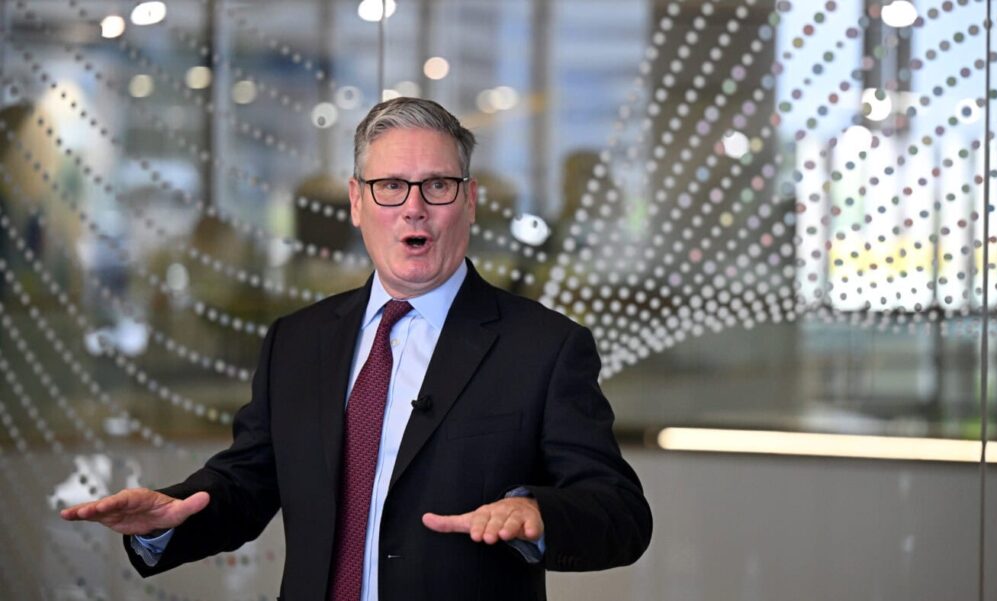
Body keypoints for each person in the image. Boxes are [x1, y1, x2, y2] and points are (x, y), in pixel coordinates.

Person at [60, 97, 652, 601]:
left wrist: (539, 513)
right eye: (390, 186)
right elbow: (248, 482)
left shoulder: (544, 347)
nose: (414, 207)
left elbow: (620, 513)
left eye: (438, 186)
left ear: (469, 201)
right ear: (356, 200)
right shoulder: (298, 341)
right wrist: (168, 516)